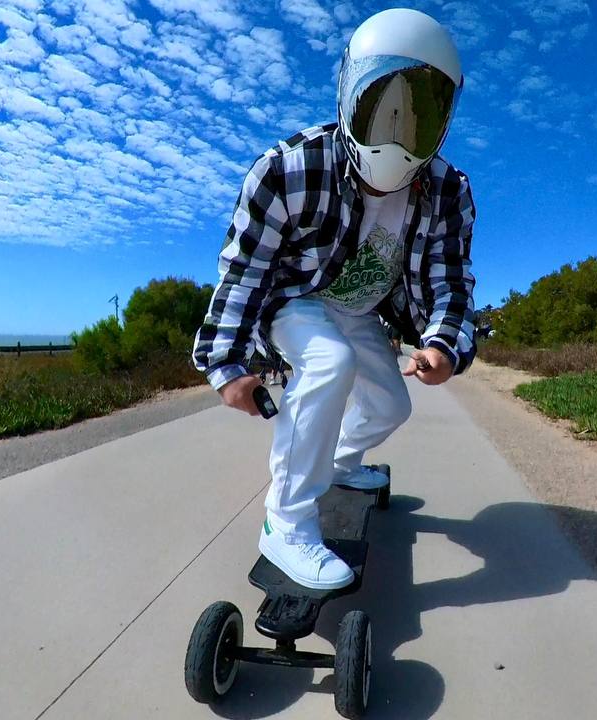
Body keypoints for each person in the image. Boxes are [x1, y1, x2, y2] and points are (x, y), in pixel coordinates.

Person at [192, 8, 476, 590]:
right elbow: (244, 271)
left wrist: (444, 344)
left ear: (442, 121)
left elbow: (451, 281)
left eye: (417, 115)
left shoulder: (450, 191)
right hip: (296, 301)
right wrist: (227, 365)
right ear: (349, 95)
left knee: (393, 405)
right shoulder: (288, 168)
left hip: (358, 310)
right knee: (330, 362)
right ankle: (287, 523)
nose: (397, 133)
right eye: (383, 108)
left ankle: (341, 464)